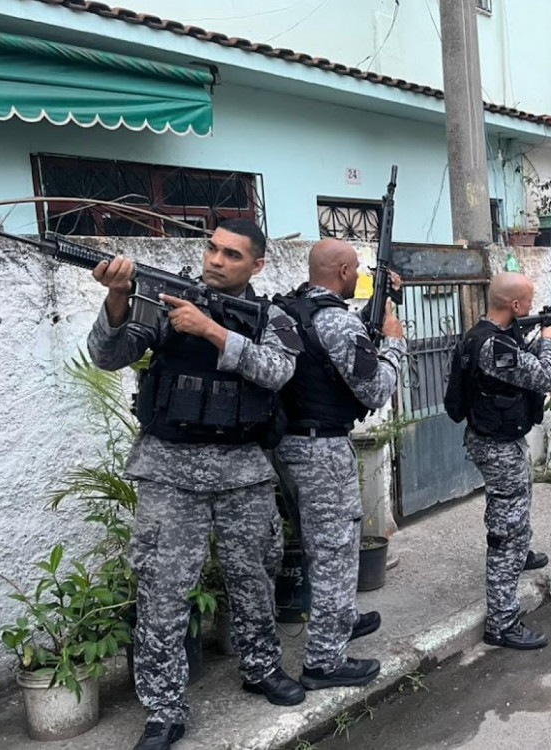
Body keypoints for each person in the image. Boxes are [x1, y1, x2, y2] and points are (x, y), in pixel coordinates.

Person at [88, 218, 306, 750]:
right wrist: (118, 300)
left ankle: (260, 667)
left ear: (256, 265)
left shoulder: (272, 317)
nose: (216, 260)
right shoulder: (167, 305)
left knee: (254, 577)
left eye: (232, 254)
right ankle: (164, 710)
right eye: (212, 249)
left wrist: (210, 330)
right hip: (169, 471)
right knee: (163, 589)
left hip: (243, 472)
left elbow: (279, 372)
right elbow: (108, 355)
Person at [273, 238, 406, 690]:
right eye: (358, 271)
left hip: (288, 445)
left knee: (320, 544)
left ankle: (341, 619)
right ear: (345, 272)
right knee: (334, 552)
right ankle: (323, 662)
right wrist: (392, 344)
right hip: (322, 451)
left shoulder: (289, 310)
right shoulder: (338, 322)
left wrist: (379, 301)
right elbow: (375, 390)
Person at [458, 272, 551, 649]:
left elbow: (522, 364)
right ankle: (501, 622)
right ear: (515, 306)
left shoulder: (484, 336)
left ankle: (520, 552)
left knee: (514, 512)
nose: (532, 308)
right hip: (496, 445)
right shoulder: (493, 346)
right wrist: (549, 342)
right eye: (529, 302)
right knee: (506, 529)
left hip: (499, 440)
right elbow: (544, 376)